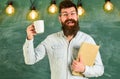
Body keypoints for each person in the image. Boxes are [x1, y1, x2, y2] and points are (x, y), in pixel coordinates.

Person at [23, 0, 104, 79]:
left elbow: (100, 70)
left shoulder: (87, 40)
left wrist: (84, 69)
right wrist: (29, 39)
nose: (69, 17)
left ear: (77, 16)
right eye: (65, 14)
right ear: (60, 18)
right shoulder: (50, 40)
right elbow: (30, 60)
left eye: (72, 13)